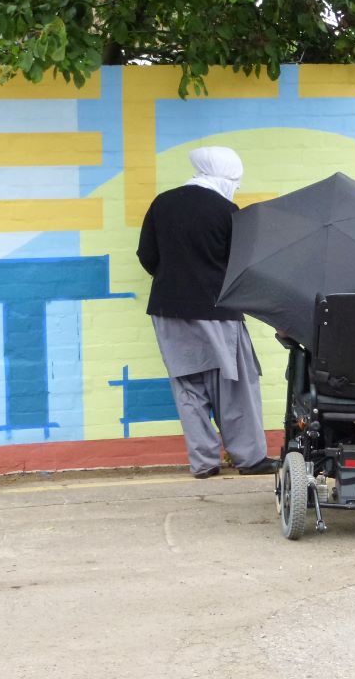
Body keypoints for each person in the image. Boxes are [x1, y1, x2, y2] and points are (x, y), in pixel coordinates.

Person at [136, 146, 276, 479]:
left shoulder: (162, 203)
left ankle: (204, 463)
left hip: (167, 309)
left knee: (188, 386)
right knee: (235, 385)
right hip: (217, 309)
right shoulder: (227, 211)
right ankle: (250, 458)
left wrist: (176, 278)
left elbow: (147, 255)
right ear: (225, 177)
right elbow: (241, 265)